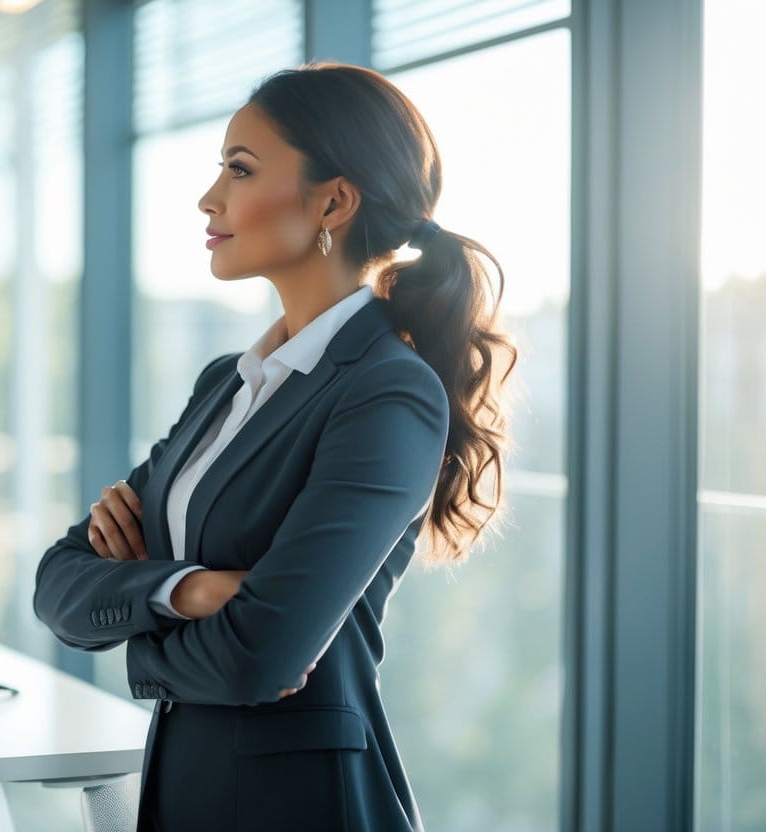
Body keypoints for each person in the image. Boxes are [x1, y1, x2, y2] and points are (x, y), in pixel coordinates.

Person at [34, 62, 515, 832]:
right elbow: (58, 580)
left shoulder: (387, 392)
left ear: (332, 200)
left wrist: (137, 632)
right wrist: (186, 591)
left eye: (239, 167)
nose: (208, 196)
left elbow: (262, 654)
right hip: (186, 790)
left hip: (299, 806)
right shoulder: (228, 382)